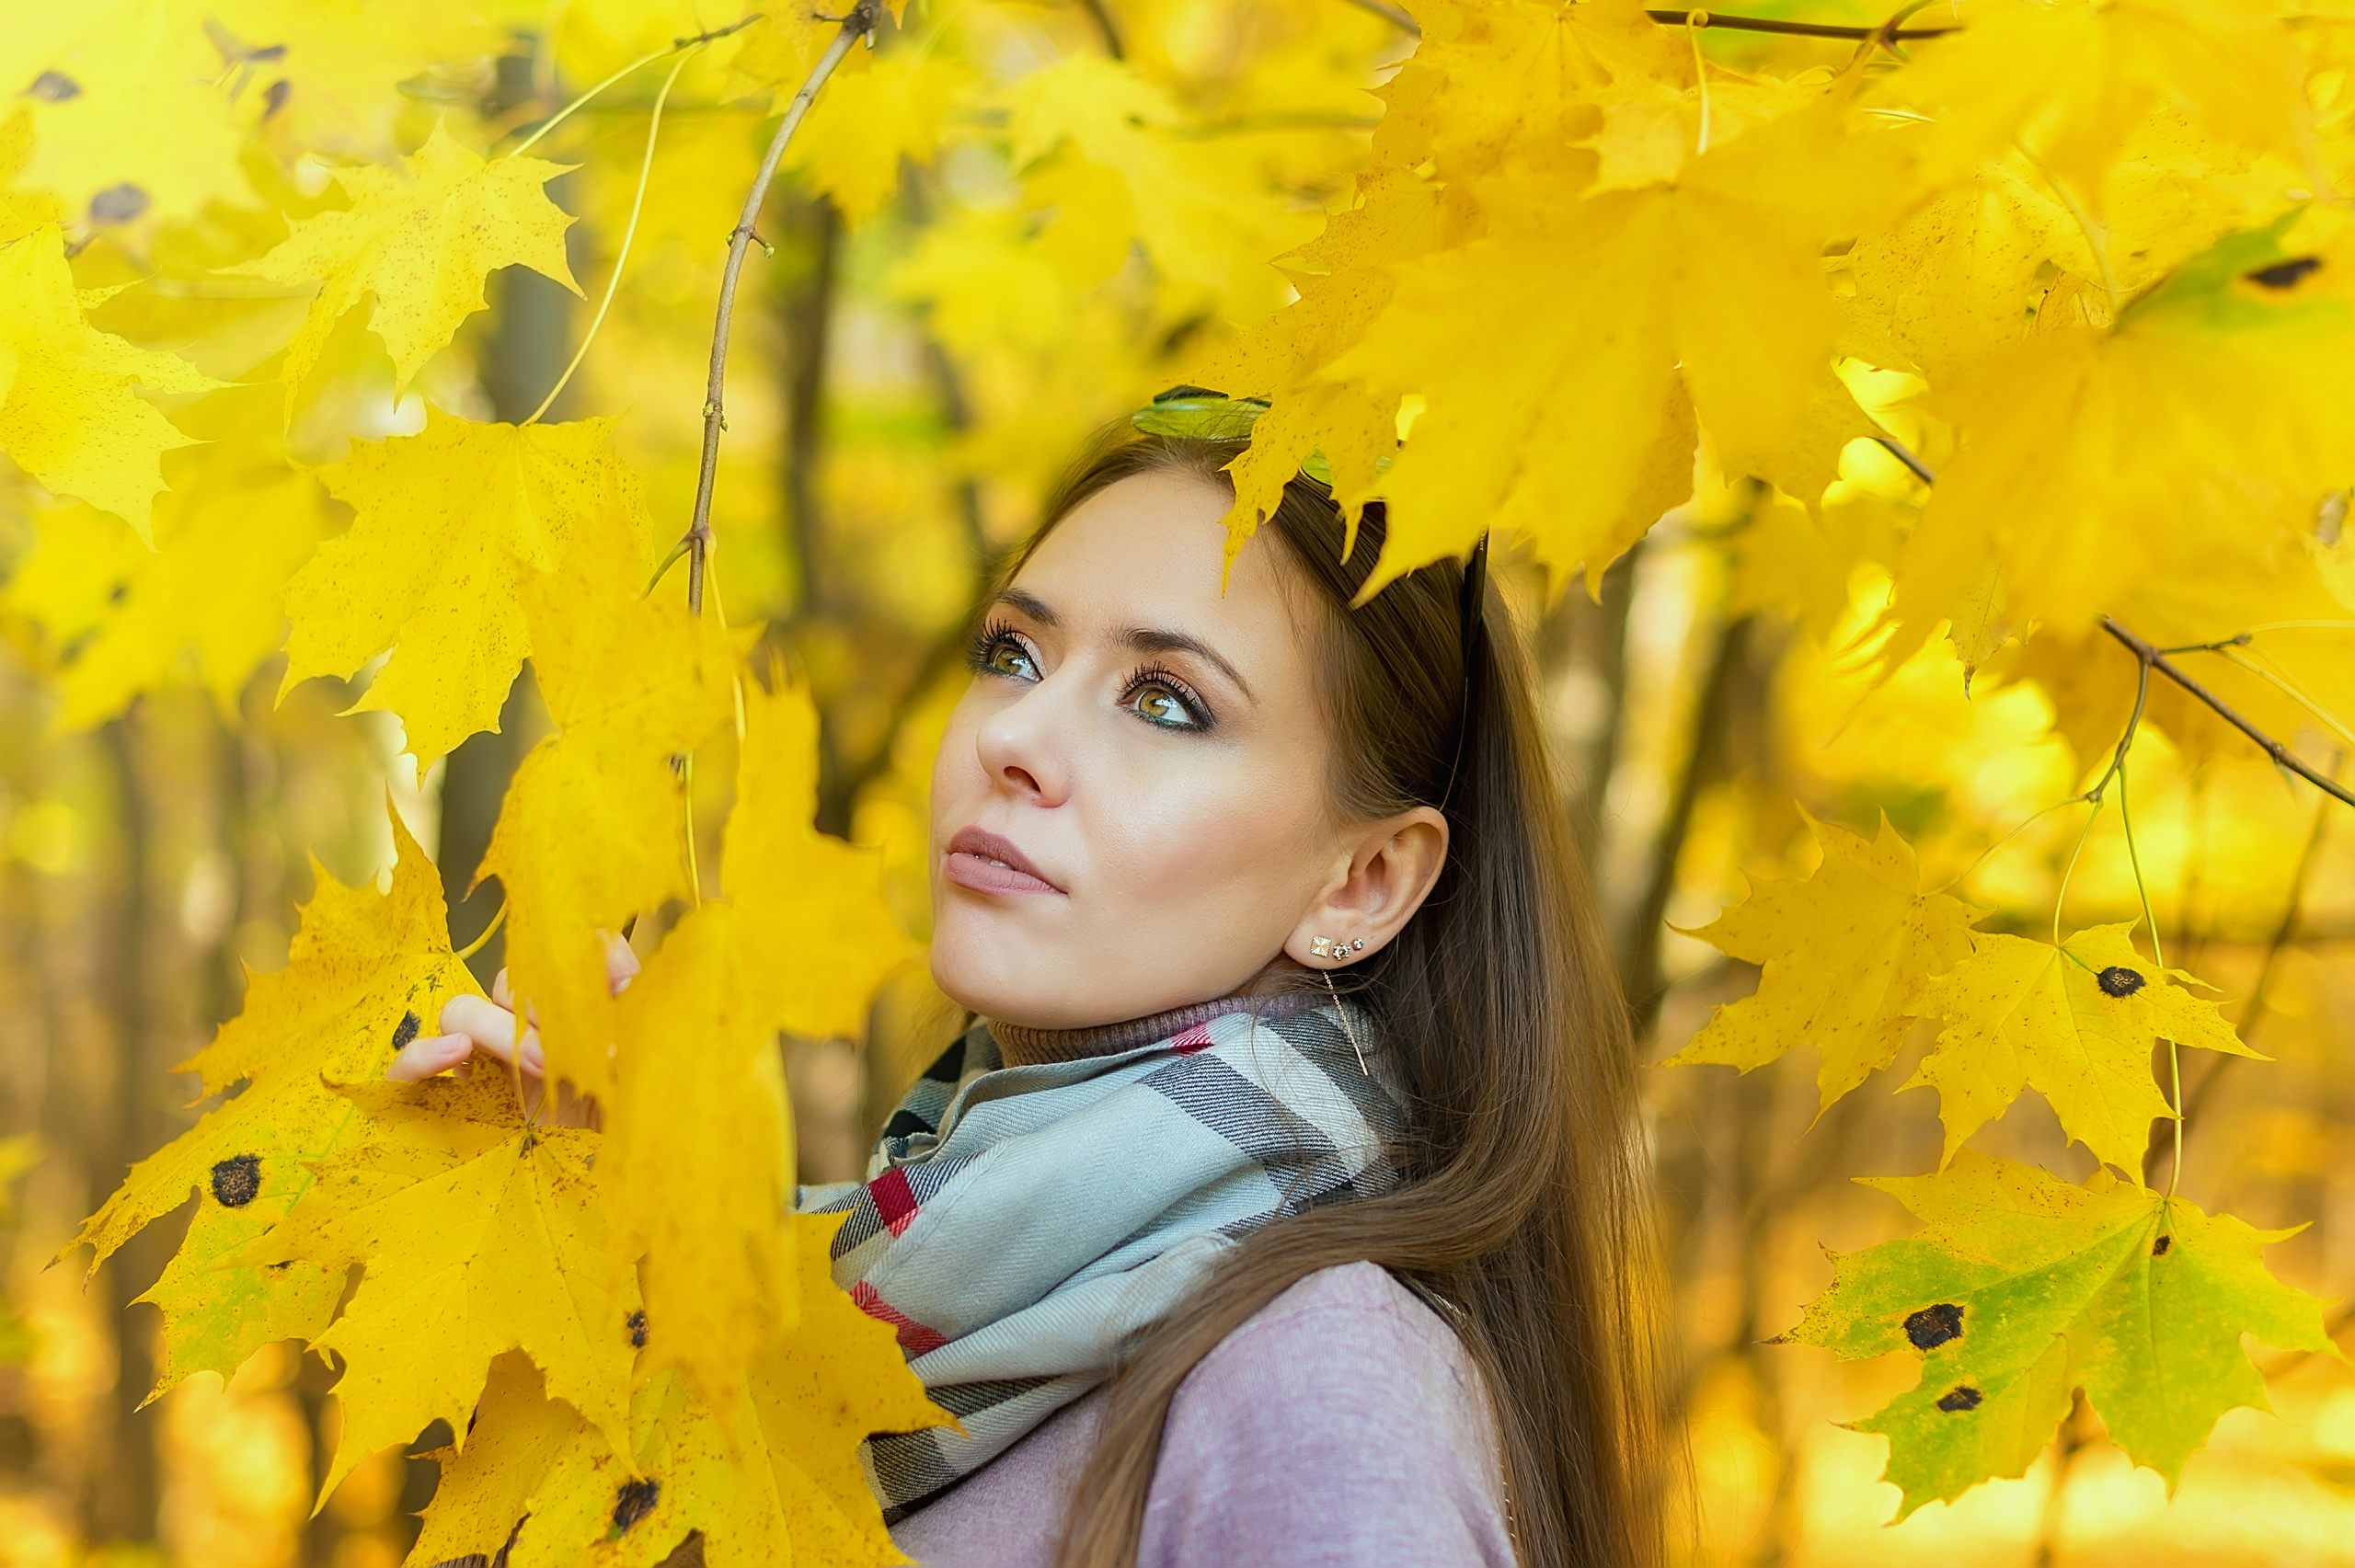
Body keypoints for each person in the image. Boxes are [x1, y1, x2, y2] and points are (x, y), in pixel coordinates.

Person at [391, 397, 1666, 1568]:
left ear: (1364, 882)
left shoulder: (1316, 1390)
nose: (1014, 737)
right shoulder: (892, 1277)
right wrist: (585, 1260)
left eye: (1165, 701)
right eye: (1013, 654)